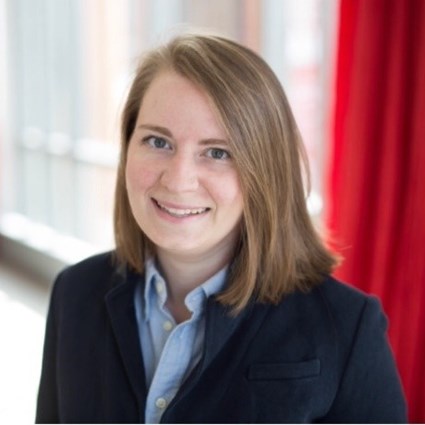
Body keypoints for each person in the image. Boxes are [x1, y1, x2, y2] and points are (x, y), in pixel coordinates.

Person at [35, 33, 407, 423]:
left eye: (217, 152)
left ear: (266, 172)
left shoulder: (348, 328)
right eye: (158, 141)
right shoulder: (73, 293)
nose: (178, 181)